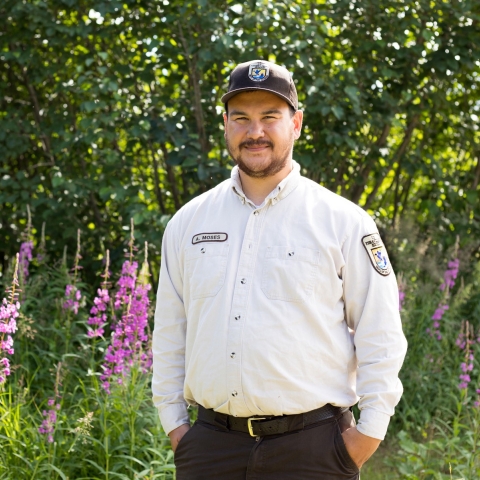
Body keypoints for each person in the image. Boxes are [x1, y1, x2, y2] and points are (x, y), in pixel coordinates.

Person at [152, 59, 408, 479]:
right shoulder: (189, 222)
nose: (255, 132)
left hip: (313, 452)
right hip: (209, 449)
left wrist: (367, 435)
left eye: (270, 117)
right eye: (242, 118)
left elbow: (379, 331)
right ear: (226, 124)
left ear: (297, 123)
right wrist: (176, 426)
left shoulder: (343, 221)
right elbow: (170, 332)